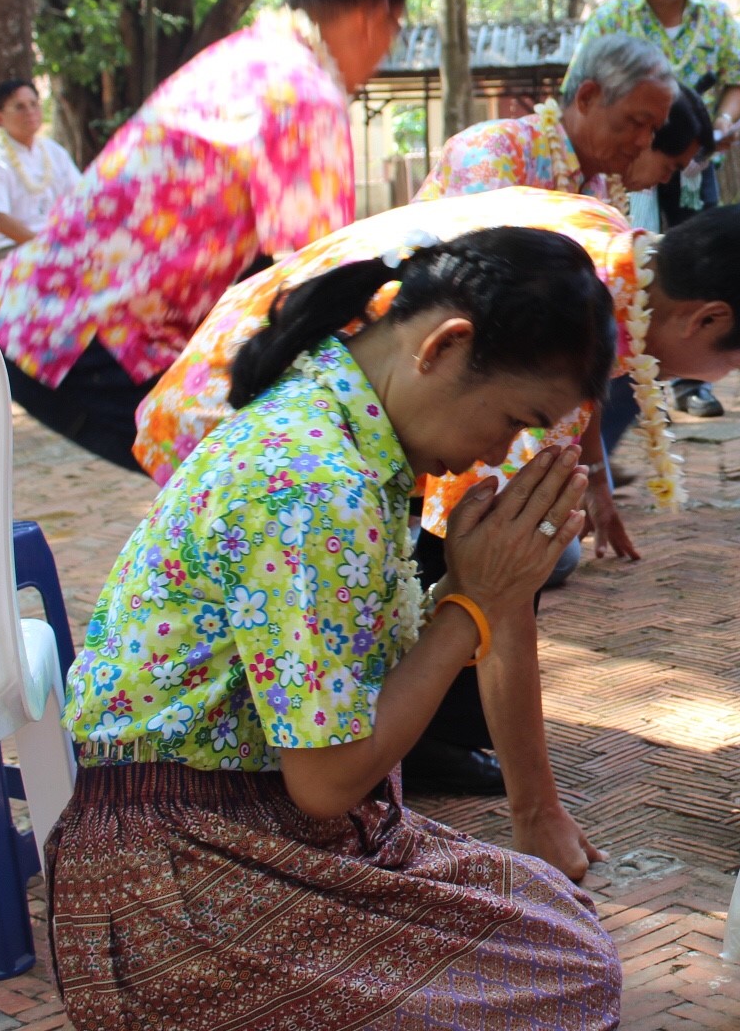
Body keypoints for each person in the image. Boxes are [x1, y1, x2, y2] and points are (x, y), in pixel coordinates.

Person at [134, 189, 740, 863]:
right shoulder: (322, 483)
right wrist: (535, 806)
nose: (499, 452)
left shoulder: (594, 259)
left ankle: (376, 752)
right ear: (707, 319)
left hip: (291, 378)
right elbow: (502, 585)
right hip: (185, 838)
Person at [49, 226, 624, 1029]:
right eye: (512, 419)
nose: (497, 450)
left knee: (561, 926)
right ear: (445, 347)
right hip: (176, 882)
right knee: (568, 982)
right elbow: (325, 784)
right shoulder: (315, 481)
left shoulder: (349, 430)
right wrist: (472, 602)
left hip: (253, 835)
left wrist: (490, 593)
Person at [0, 0, 411, 471]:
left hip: (26, 315)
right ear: (374, 16)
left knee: (239, 477)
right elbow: (316, 277)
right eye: (395, 30)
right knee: (262, 477)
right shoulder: (306, 94)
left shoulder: (243, 56)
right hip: (89, 341)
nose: (387, 51)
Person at [567, 0, 740, 418]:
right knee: (626, 258)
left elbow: (738, 79)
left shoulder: (714, 16)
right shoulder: (610, 20)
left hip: (693, 159)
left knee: (698, 260)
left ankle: (692, 377)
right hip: (630, 159)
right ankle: (627, 372)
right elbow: (579, 85)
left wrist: (718, 128)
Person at [416, 34, 680, 207]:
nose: (645, 141)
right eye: (636, 121)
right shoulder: (494, 151)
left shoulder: (600, 188)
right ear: (587, 97)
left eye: (653, 129)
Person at [0, 79, 82, 288]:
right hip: (3, 248)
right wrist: (46, 244)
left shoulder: (54, 152)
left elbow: (80, 197)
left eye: (34, 104)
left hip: (52, 243)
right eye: (19, 107)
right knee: (55, 270)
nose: (30, 111)